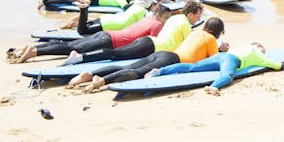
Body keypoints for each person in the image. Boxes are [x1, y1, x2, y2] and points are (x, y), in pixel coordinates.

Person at [75, 16, 227, 93]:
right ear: (218, 31)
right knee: (138, 73)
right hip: (172, 60)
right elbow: (214, 61)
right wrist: (222, 51)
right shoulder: (211, 39)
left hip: (164, 53)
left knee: (129, 66)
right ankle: (101, 81)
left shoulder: (195, 33)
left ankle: (90, 74)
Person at [7, 3, 171, 64]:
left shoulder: (147, 19)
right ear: (162, 16)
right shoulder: (157, 24)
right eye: (167, 18)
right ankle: (35, 52)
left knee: (70, 45)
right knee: (71, 48)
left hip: (107, 34)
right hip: (110, 42)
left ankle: (29, 49)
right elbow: (152, 42)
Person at [66, 0, 204, 67]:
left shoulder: (175, 17)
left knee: (116, 53)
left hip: (148, 42)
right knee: (115, 54)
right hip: (151, 47)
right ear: (191, 14)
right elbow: (190, 46)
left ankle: (79, 57)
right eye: (198, 15)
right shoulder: (185, 24)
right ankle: (80, 57)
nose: (199, 18)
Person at [148, 42, 284, 96]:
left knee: (193, 67)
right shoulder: (256, 52)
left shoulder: (242, 46)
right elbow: (275, 65)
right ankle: (212, 87)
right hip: (230, 60)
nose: (264, 51)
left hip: (220, 56)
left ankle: (160, 71)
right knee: (228, 76)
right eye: (263, 49)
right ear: (258, 46)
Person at [62, 0, 156, 35]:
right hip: (110, 25)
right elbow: (144, 27)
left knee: (87, 25)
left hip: (110, 19)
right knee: (82, 31)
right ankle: (84, 10)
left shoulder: (134, 5)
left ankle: (75, 22)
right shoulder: (142, 11)